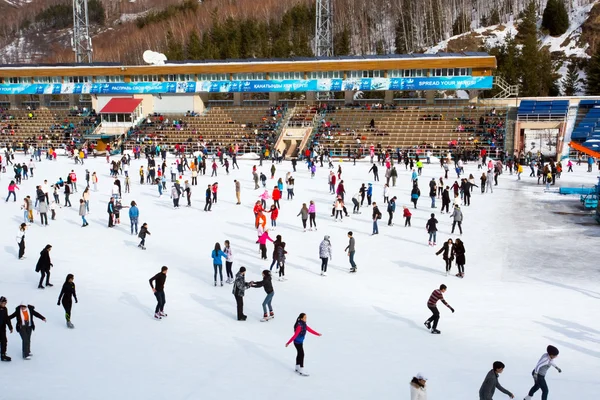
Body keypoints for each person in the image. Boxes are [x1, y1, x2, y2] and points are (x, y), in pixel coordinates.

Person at [0, 296, 13, 361]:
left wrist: (10, 327)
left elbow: (7, 319)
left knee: (4, 341)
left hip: (2, 328)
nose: (4, 304)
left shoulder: (5, 309)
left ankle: (3, 355)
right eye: (3, 303)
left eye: (5, 303)